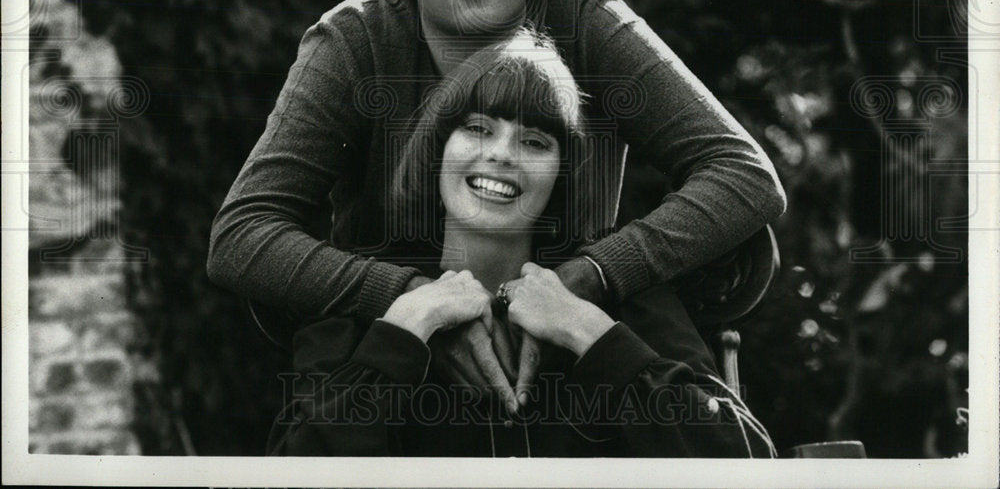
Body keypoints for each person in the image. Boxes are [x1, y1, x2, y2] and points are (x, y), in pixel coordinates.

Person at [208, 0, 786, 411]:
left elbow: (743, 175)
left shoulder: (588, 24)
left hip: (574, 354)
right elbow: (244, 233)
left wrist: (586, 279)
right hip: (394, 371)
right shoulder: (355, 42)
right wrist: (414, 300)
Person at [266, 31, 775, 457]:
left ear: (563, 174)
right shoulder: (359, 313)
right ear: (437, 150)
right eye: (477, 128)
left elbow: (745, 463)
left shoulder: (630, 303)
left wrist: (589, 330)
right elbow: (289, 478)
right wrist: (404, 329)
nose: (502, 155)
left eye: (534, 142)